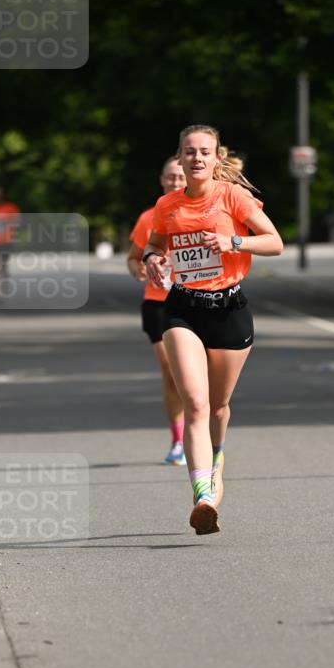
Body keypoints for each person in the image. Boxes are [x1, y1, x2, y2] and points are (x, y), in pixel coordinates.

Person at [143, 124, 283, 535]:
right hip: (182, 309)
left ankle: (217, 455)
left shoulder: (232, 197)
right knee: (196, 403)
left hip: (228, 310)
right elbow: (155, 244)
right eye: (190, 151)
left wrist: (233, 243)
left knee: (219, 407)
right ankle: (203, 495)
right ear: (180, 157)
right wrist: (152, 259)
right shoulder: (167, 205)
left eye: (205, 151)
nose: (197, 158)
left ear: (217, 157)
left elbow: (274, 242)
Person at [128, 158, 187, 464]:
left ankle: (201, 433)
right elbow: (133, 257)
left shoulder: (201, 213)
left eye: (180, 177)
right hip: (158, 302)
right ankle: (178, 441)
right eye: (170, 177)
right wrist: (138, 269)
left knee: (197, 375)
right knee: (172, 372)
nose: (175, 182)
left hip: (194, 298)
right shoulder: (148, 218)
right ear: (162, 180)